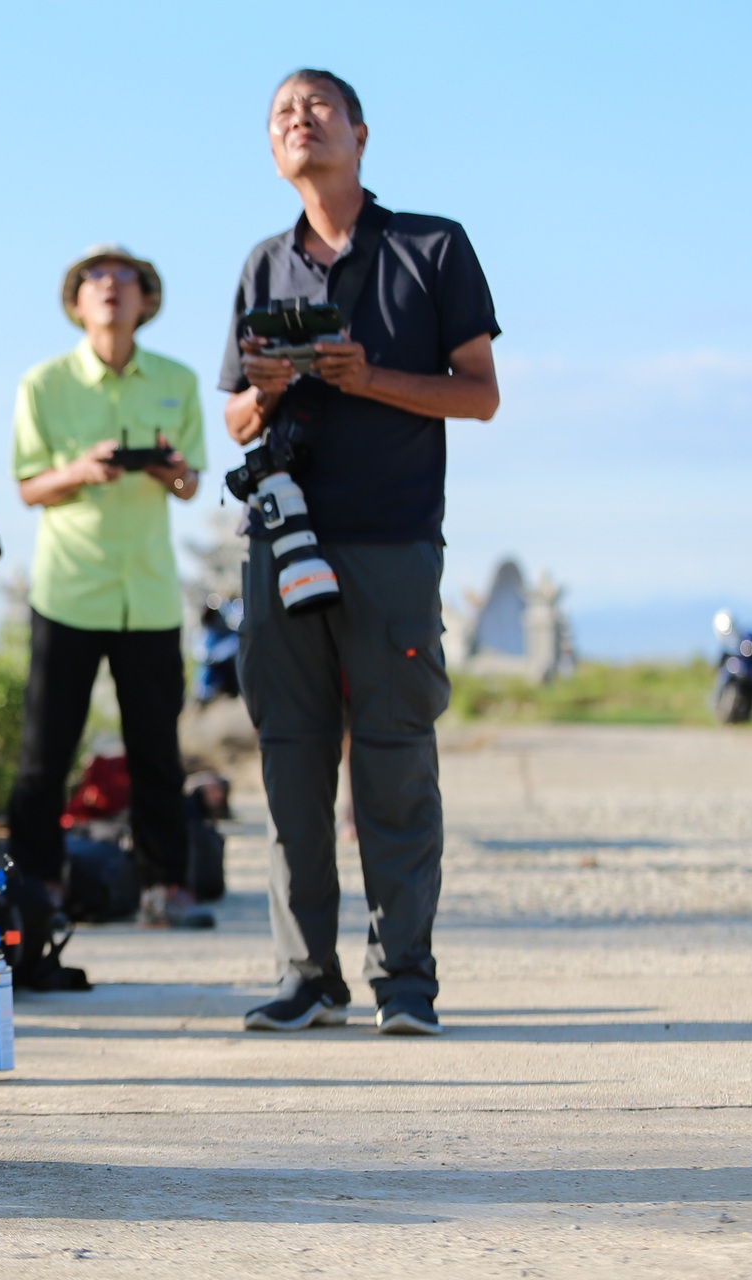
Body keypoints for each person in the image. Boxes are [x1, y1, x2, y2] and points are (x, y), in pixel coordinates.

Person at [219, 70, 500, 1036]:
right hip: (281, 539)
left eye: (319, 108)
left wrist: (367, 376)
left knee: (393, 757)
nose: (302, 121)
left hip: (391, 541)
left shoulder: (432, 246)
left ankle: (406, 979)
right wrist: (269, 392)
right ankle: (308, 974)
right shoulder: (262, 265)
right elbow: (235, 418)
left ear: (361, 133)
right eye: (283, 115)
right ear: (272, 149)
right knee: (290, 760)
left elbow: (480, 394)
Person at [7, 244, 211, 929]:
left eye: (127, 278)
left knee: (158, 748)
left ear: (148, 300)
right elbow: (29, 486)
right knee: (46, 751)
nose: (111, 287)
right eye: (95, 278)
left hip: (148, 594)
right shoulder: (42, 384)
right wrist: (80, 471)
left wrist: (170, 474)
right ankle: (38, 888)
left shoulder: (179, 380)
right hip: (68, 590)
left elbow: (191, 485)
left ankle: (167, 888)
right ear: (75, 303)